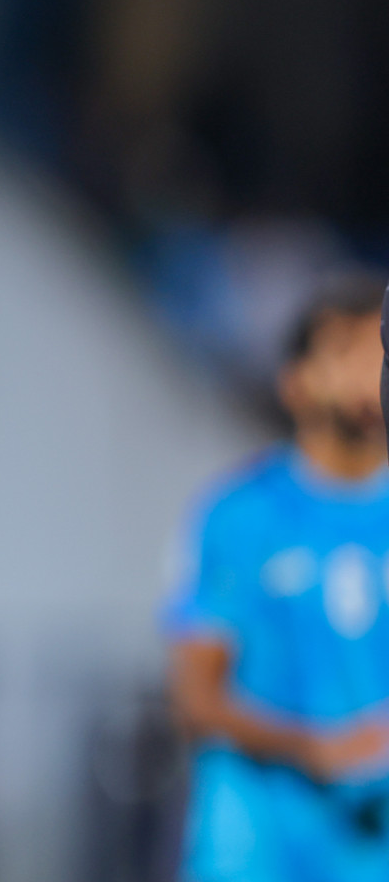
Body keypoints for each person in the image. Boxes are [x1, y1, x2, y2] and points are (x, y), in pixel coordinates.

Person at [167, 274, 389, 882]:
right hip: (259, 847)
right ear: (296, 384)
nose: (369, 370)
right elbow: (195, 698)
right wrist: (315, 747)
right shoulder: (242, 515)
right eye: (347, 352)